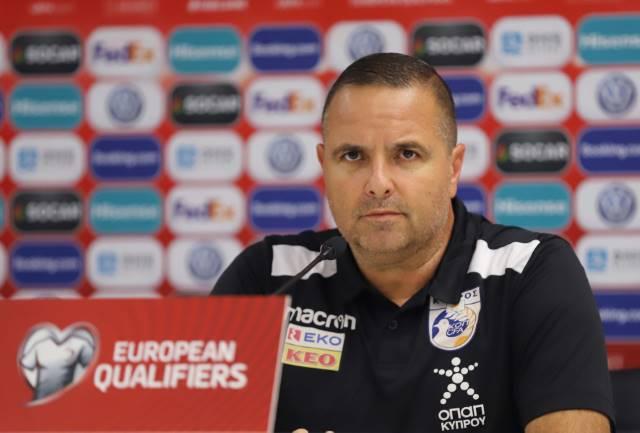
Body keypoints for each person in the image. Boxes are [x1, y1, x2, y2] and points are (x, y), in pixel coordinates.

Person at [212, 53, 614, 433]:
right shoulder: (267, 278)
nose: (377, 184)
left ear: (453, 169)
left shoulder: (530, 271)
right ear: (324, 167)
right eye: (352, 156)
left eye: (406, 154)